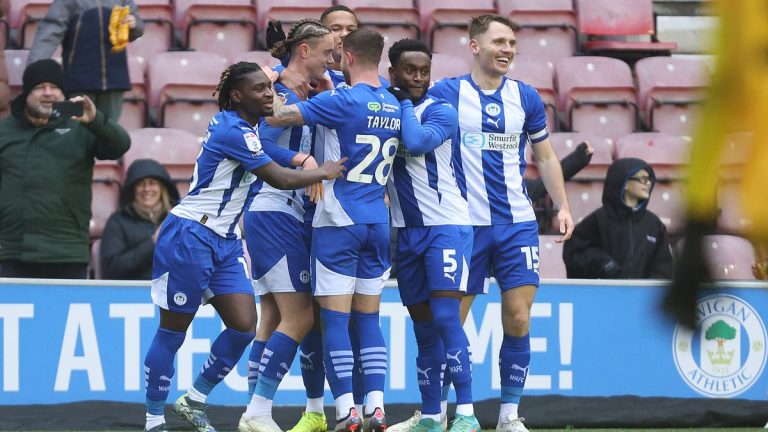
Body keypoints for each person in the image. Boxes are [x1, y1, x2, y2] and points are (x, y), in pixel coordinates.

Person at [141, 62, 347, 432]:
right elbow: (280, 178)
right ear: (237, 96)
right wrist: (323, 170)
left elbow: (269, 140)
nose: (268, 95)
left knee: (243, 326)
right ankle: (154, 419)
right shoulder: (232, 129)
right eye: (259, 91)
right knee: (172, 333)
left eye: (268, 89)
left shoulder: (246, 129)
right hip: (189, 236)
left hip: (225, 241)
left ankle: (194, 398)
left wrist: (281, 67)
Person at [426, 14, 574, 432]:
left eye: (512, 42)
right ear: (474, 46)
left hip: (517, 224)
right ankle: (441, 413)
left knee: (519, 317)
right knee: (450, 323)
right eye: (499, 42)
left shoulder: (526, 98)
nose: (508, 49)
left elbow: (544, 156)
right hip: (462, 226)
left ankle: (509, 415)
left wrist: (562, 205)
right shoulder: (446, 94)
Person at [267, 28, 399, 432]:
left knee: (336, 322)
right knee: (370, 320)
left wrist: (269, 77)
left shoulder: (342, 100)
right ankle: (376, 407)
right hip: (378, 220)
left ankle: (346, 411)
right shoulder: (392, 103)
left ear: (349, 56)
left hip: (339, 221)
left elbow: (274, 114)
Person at [239, 19, 335, 432]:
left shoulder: (313, 92)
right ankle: (257, 412)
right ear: (305, 52)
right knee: (298, 318)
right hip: (273, 209)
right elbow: (257, 143)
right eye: (328, 51)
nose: (333, 59)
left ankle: (260, 411)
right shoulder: (272, 91)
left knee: (275, 316)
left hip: (292, 212)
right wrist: (303, 161)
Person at [384, 38, 477, 432]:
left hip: (446, 228)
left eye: (424, 70)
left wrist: (403, 102)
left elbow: (419, 142)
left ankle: (468, 413)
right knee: (423, 329)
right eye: (410, 70)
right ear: (393, 73)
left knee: (444, 318)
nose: (419, 77)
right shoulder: (384, 111)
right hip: (406, 233)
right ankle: (430, 416)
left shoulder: (441, 110)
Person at [0, 59, 130, 279]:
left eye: (55, 88)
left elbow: (120, 145)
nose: (48, 93)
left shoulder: (80, 126)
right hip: (10, 253)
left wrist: (95, 119)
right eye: (40, 87)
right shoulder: (5, 130)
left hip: (66, 253)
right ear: (25, 94)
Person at [27, 0, 144, 120]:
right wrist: (33, 71)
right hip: (78, 80)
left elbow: (137, 29)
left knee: (109, 132)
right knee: (74, 131)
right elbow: (51, 31)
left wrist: (135, 25)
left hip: (114, 80)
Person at [562, 158, 674, 279]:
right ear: (625, 182)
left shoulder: (655, 225)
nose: (648, 183)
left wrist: (650, 289)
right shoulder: (598, 220)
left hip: (643, 296)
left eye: (649, 179)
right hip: (605, 294)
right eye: (642, 179)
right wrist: (605, 265)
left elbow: (663, 266)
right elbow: (574, 253)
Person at [100, 159, 180, 280]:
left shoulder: (178, 219)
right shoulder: (118, 221)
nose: (146, 189)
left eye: (152, 183)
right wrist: (153, 242)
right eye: (140, 184)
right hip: (132, 294)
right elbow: (112, 269)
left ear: (162, 188)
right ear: (132, 189)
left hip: (174, 293)